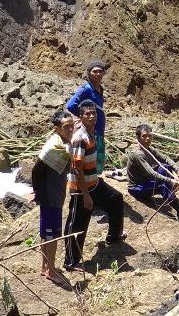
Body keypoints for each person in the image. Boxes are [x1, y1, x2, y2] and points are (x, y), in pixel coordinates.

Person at [63, 100, 126, 272]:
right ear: (81, 117)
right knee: (77, 225)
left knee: (115, 198)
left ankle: (113, 237)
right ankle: (71, 261)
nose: (91, 116)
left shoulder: (92, 133)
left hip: (94, 182)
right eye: (87, 114)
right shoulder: (80, 138)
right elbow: (77, 168)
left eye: (94, 113)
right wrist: (86, 196)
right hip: (81, 189)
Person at [32, 110, 74, 286]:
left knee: (46, 234)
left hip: (54, 194)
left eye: (72, 125)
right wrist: (38, 193)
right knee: (52, 236)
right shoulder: (53, 147)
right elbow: (36, 170)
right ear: (57, 128)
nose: (71, 129)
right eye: (66, 127)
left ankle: (45, 266)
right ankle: (51, 270)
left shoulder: (62, 143)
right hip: (51, 196)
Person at [127, 124, 179, 225]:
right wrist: (171, 180)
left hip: (147, 181)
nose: (147, 139)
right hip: (137, 188)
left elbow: (165, 159)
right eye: (144, 136)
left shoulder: (149, 149)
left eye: (149, 136)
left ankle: (171, 197)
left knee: (165, 167)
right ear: (138, 137)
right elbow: (151, 173)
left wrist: (178, 170)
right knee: (163, 185)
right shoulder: (137, 154)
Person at [66, 60, 107, 175]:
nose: (98, 74)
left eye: (100, 71)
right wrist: (83, 119)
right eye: (95, 71)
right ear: (89, 73)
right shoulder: (86, 88)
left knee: (95, 158)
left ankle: (94, 181)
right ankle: (85, 183)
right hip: (90, 130)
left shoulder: (99, 89)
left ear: (103, 73)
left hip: (98, 130)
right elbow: (70, 105)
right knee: (87, 158)